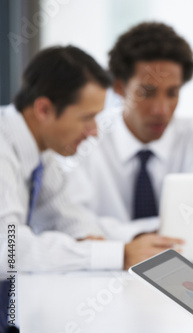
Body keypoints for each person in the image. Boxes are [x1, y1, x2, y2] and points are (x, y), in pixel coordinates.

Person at [0, 45, 179, 330]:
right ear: (44, 109)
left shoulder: (40, 151)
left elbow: (67, 215)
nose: (95, 130)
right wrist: (117, 254)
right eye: (87, 117)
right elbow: (8, 250)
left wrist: (109, 240)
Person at [68, 22, 193, 242]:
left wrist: (113, 232)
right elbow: (71, 223)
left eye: (172, 93)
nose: (161, 110)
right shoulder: (84, 140)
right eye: (147, 93)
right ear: (119, 88)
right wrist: (150, 234)